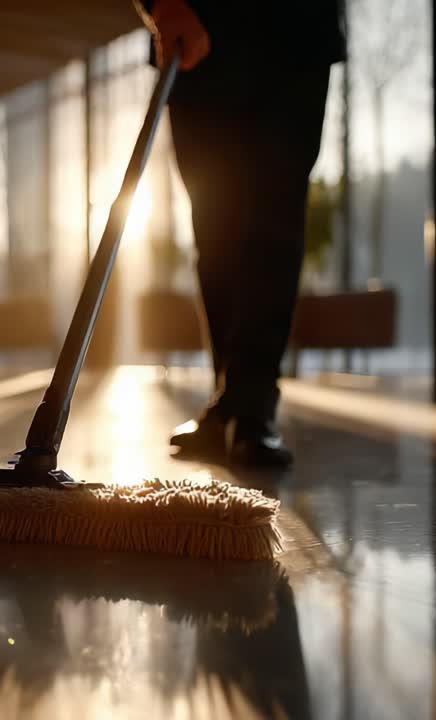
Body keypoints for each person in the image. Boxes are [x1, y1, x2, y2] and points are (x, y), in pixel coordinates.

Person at [140, 0, 345, 467]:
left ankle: (251, 407)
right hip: (199, 34)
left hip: (293, 37)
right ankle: (229, 400)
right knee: (213, 229)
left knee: (274, 218)